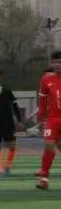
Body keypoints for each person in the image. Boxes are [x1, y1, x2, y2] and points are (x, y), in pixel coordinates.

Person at [35, 51, 61, 190]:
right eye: (55, 62)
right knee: (49, 144)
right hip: (52, 119)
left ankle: (44, 175)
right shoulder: (46, 80)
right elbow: (42, 100)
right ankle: (44, 177)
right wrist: (41, 118)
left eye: (60, 62)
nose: (57, 65)